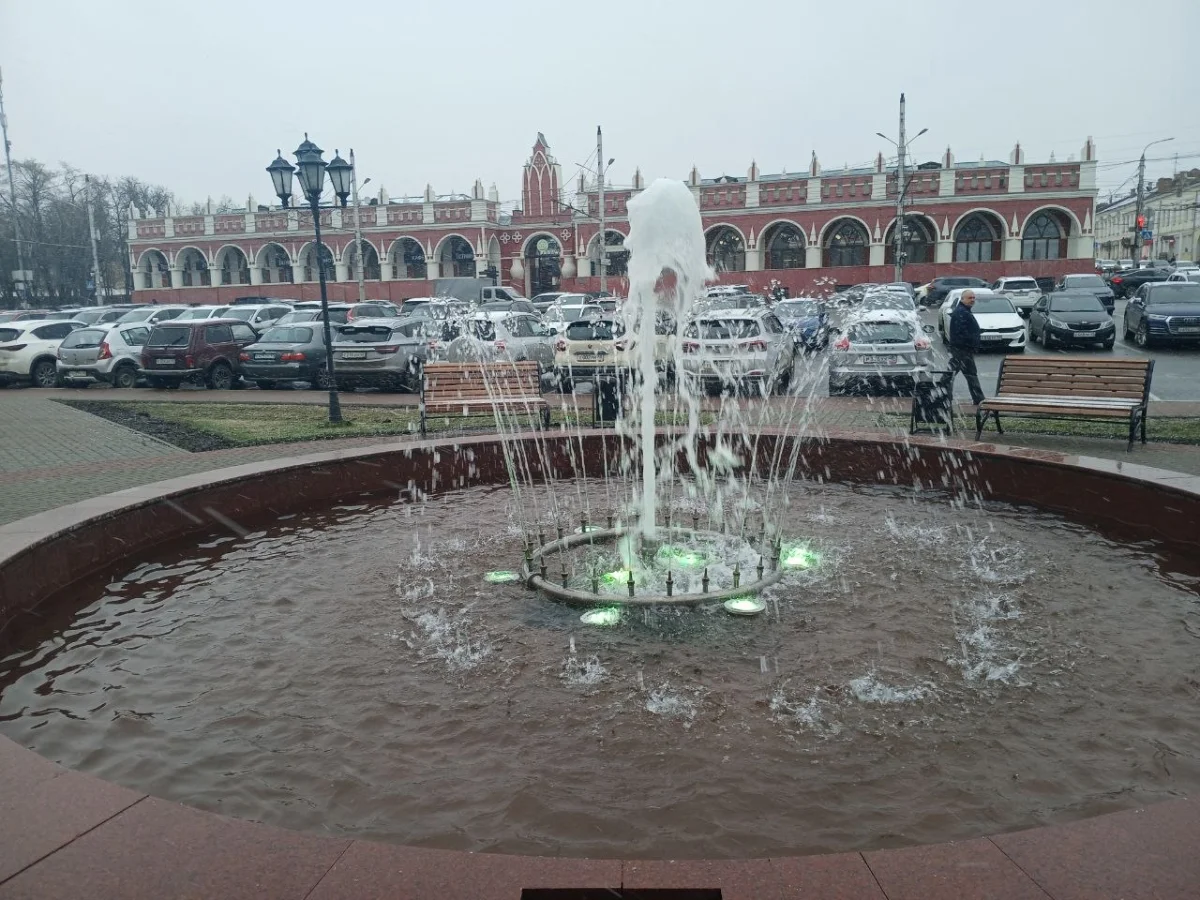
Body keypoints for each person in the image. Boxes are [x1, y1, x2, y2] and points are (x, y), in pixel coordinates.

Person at [948, 289, 985, 406]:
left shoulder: (964, 311)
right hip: (962, 350)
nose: (972, 300)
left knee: (952, 374)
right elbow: (961, 332)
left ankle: (943, 396)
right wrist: (970, 343)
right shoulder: (961, 312)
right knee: (968, 375)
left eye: (973, 298)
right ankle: (979, 400)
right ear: (963, 299)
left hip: (962, 349)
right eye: (970, 298)